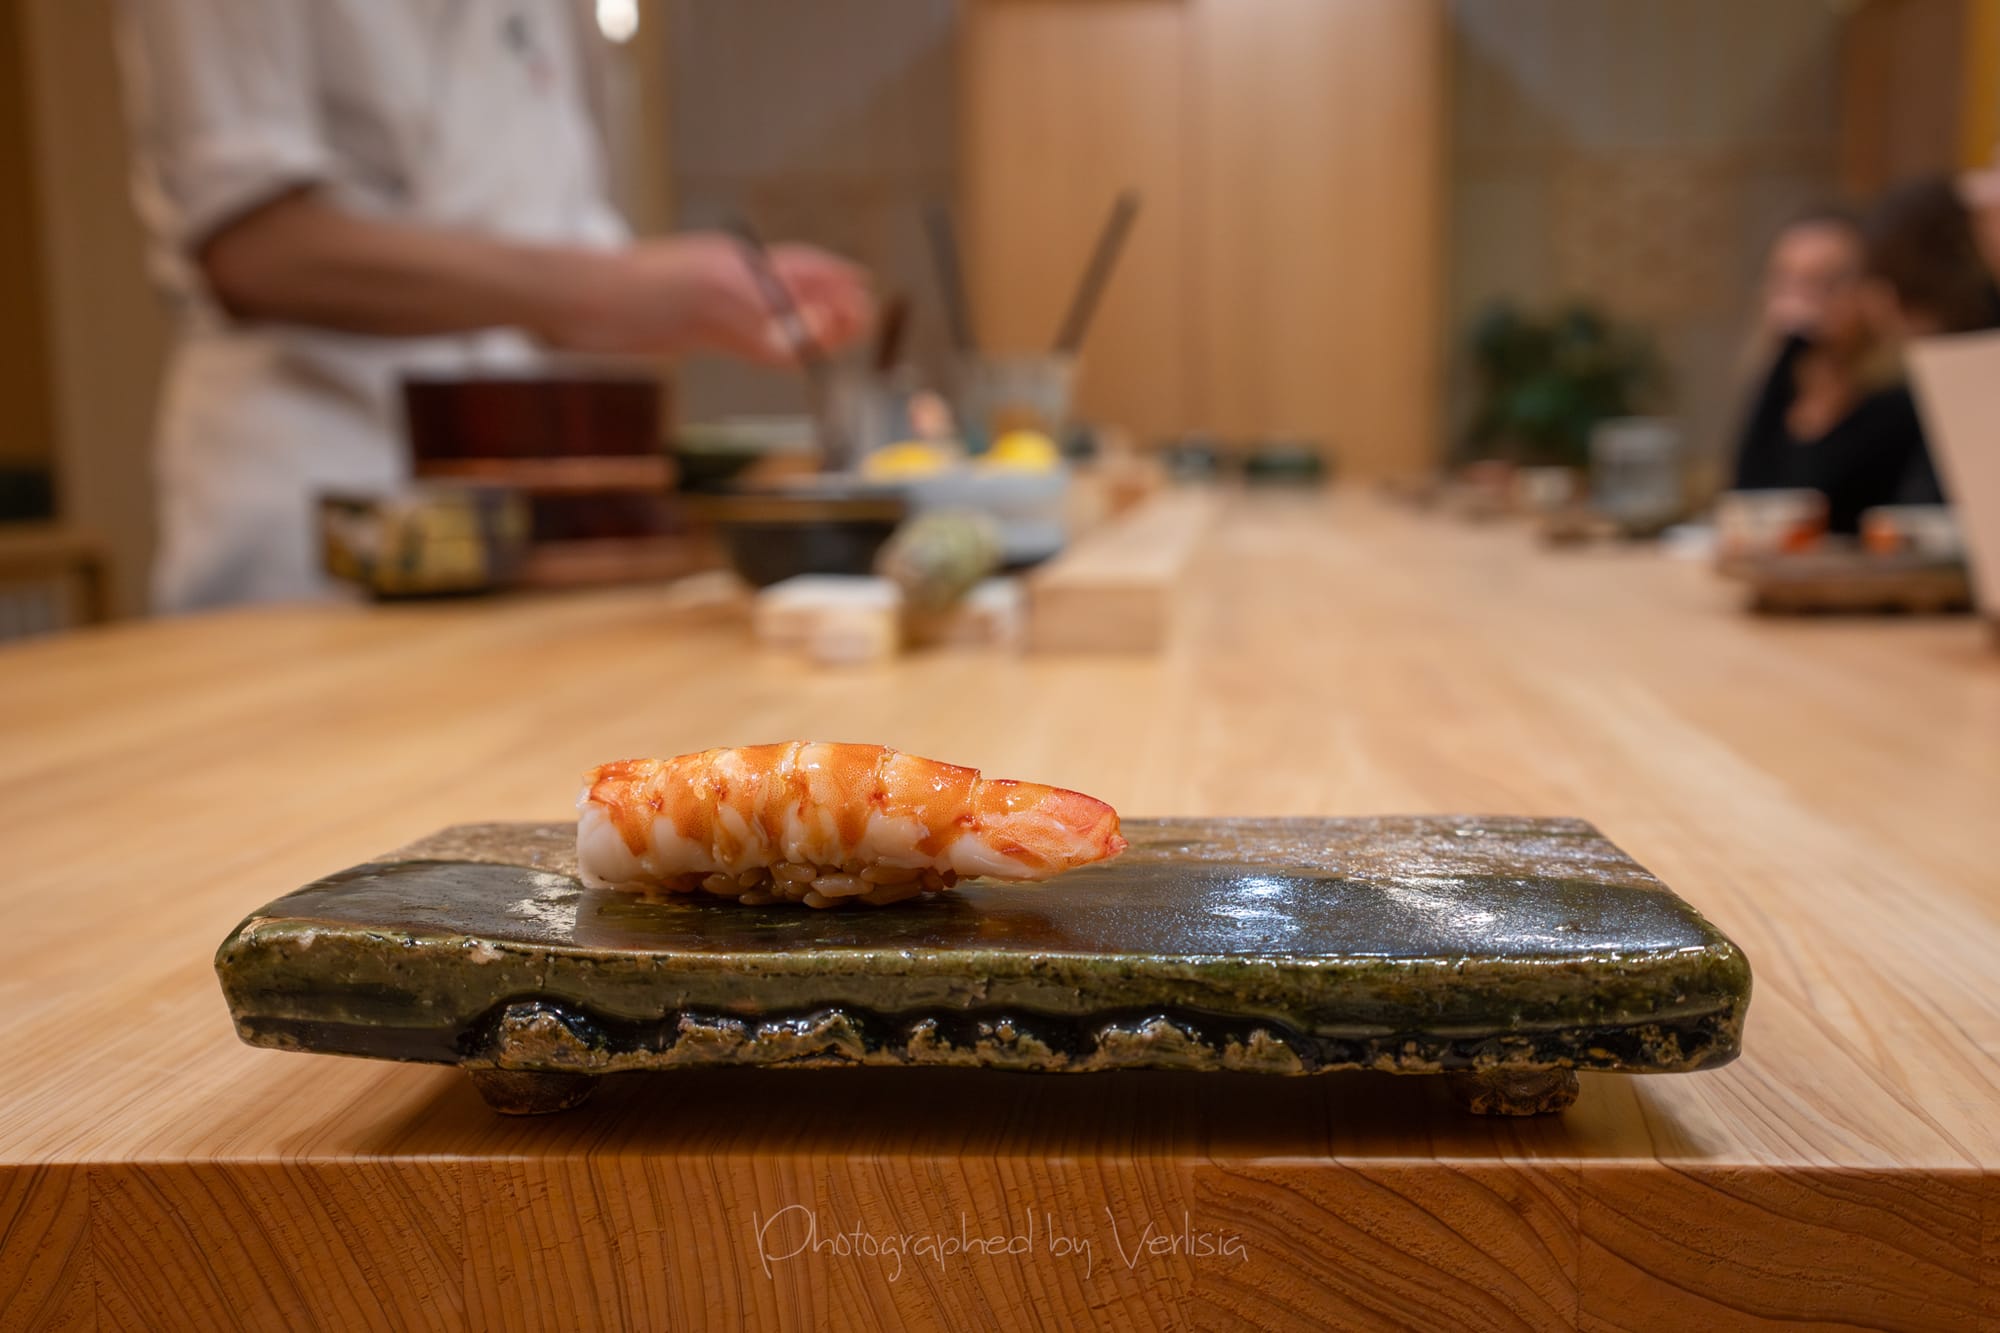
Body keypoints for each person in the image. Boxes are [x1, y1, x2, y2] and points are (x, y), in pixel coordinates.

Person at [116, 1, 872, 612]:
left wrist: (693, 294)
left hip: (529, 507)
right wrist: (613, 289)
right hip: (321, 489)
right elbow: (255, 248)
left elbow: (547, 235)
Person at [1729, 208, 1928, 534]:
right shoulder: (1778, 393)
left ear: (1870, 290)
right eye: (1787, 282)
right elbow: (1746, 498)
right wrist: (1783, 358)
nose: (1801, 300)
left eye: (1827, 281)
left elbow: (1816, 503)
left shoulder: (1899, 401)